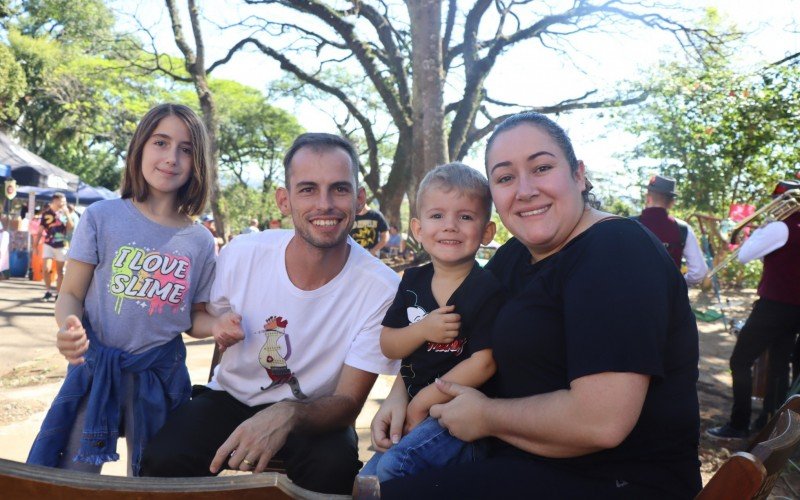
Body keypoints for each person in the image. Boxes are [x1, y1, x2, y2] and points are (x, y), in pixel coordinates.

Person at [373, 112, 701, 498]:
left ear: (578, 175)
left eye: (542, 167)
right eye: (505, 177)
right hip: (518, 459)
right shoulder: (516, 255)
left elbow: (601, 422)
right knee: (377, 480)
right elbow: (452, 328)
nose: (525, 190)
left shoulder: (616, 252)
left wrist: (489, 418)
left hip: (613, 479)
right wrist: (401, 392)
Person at [139, 133, 400, 495]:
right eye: (307, 189)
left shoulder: (381, 288)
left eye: (339, 189)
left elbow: (348, 402)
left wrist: (289, 413)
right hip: (231, 399)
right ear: (284, 200)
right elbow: (215, 333)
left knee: (334, 469)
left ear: (359, 200)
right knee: (162, 458)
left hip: (316, 413)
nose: (324, 204)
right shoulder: (242, 254)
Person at [26, 103, 217, 476]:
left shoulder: (200, 241)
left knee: (157, 479)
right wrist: (68, 327)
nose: (171, 158)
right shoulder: (102, 217)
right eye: (161, 142)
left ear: (198, 163)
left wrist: (221, 325)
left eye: (186, 149)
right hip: (95, 370)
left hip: (161, 376)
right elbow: (71, 294)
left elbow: (195, 320)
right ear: (140, 147)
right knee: (71, 479)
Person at [360, 163, 504, 481]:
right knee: (367, 479)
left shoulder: (487, 288)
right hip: (413, 407)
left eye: (465, 217)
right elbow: (389, 343)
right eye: (437, 216)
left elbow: (484, 363)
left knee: (394, 470)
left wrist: (425, 399)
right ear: (418, 229)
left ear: (487, 232)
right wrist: (422, 330)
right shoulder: (413, 280)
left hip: (457, 415)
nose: (449, 226)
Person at [707, 179, 800, 439]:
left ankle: (738, 424)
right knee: (779, 366)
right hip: (795, 310)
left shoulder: (779, 227)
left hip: (773, 306)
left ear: (781, 200)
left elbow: (745, 255)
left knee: (740, 361)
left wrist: (764, 229)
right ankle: (769, 423)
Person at [634, 174, 708, 285]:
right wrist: (678, 285)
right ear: (672, 203)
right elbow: (698, 272)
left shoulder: (628, 224)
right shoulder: (683, 229)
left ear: (648, 197)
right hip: (669, 300)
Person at [33, 192, 69, 301]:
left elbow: (71, 227)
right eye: (62, 201)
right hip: (48, 243)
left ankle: (59, 294)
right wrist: (35, 245)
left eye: (64, 201)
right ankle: (48, 291)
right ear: (55, 200)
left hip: (62, 244)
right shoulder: (46, 213)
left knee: (60, 271)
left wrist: (67, 214)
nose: (64, 203)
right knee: (46, 269)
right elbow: (40, 231)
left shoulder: (65, 213)